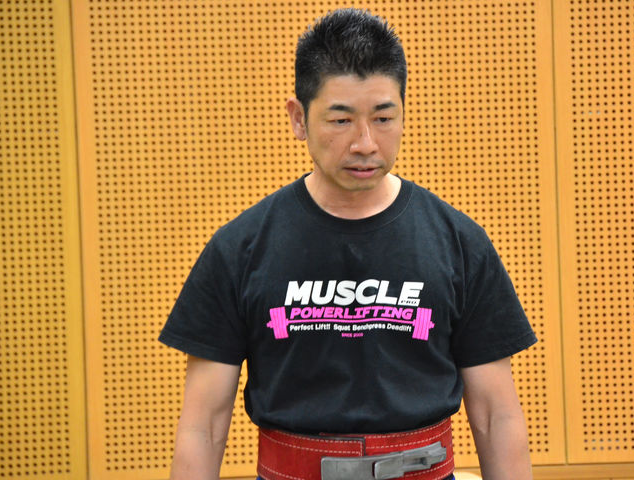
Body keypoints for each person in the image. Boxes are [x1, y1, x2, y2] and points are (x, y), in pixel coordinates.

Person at [159, 8, 537, 480]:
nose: (365, 143)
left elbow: (496, 416)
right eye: (340, 120)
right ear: (298, 118)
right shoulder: (239, 249)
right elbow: (204, 426)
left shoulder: (459, 243)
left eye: (383, 117)